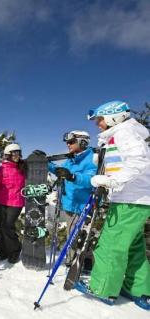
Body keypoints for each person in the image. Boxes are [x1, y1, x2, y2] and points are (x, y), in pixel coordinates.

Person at [76, 101, 150, 310]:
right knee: (134, 247)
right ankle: (139, 289)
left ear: (113, 117)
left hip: (130, 200)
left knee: (110, 245)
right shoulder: (121, 135)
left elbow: (139, 161)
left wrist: (111, 181)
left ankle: (103, 288)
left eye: (100, 119)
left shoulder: (125, 133)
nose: (97, 124)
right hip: (134, 200)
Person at [44, 130, 97, 266]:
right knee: (71, 235)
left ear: (82, 142)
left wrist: (73, 177)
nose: (68, 144)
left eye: (71, 141)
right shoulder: (71, 159)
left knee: (78, 237)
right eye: (67, 142)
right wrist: (45, 162)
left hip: (82, 205)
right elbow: (61, 171)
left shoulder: (92, 158)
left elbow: (91, 179)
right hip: (69, 203)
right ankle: (72, 261)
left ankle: (80, 262)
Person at [0, 143, 26, 264]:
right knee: (1, 227)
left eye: (18, 153)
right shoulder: (1, 169)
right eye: (14, 153)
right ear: (8, 155)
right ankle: (3, 250)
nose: (17, 155)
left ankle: (14, 251)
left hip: (16, 202)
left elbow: (36, 170)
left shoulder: (23, 167)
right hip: (2, 201)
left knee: (8, 226)